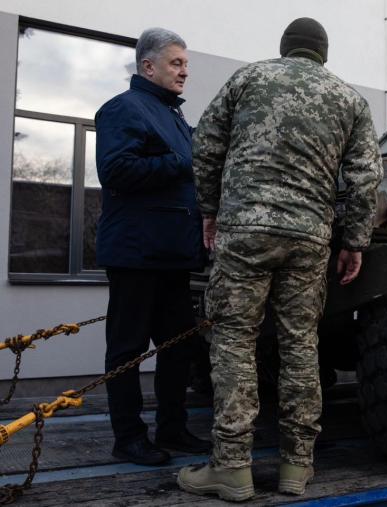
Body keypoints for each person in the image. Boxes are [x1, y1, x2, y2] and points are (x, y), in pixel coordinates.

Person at [177, 17, 383, 501]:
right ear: (323, 55)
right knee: (300, 344)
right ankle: (296, 466)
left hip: (244, 229)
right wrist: (353, 241)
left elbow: (205, 146)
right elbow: (365, 178)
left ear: (285, 48)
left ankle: (231, 468)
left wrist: (210, 210)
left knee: (232, 340)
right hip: (309, 237)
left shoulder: (249, 78)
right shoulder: (350, 99)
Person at [95, 27, 210, 466]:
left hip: (174, 257)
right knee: (126, 350)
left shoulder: (175, 117)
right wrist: (184, 160)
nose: (185, 72)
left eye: (186, 64)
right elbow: (117, 170)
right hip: (136, 254)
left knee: (178, 347)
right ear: (148, 66)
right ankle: (128, 438)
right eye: (176, 63)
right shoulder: (123, 109)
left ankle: (173, 429)